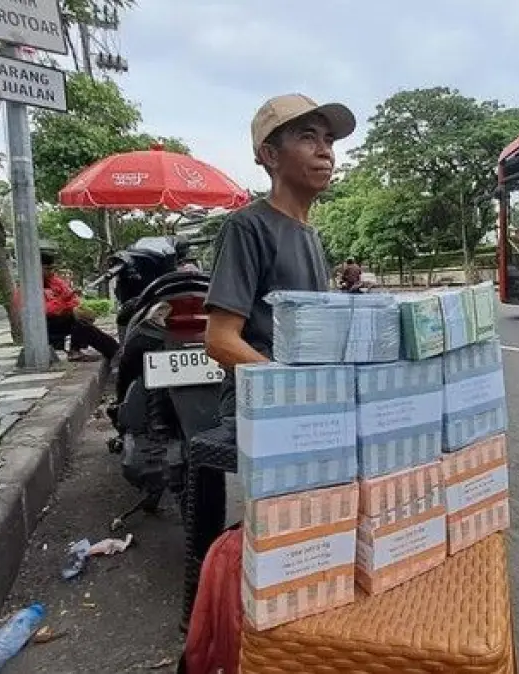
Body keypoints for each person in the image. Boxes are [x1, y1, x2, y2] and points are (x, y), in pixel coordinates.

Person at [192, 93, 354, 621]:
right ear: (268, 153)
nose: (325, 151)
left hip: (307, 402)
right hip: (259, 404)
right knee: (290, 532)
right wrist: (296, 390)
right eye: (308, 137)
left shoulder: (311, 236)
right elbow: (220, 339)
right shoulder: (248, 228)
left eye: (328, 140)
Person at [40, 251, 119, 362]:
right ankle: (113, 350)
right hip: (42, 324)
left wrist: (70, 307)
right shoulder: (29, 286)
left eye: (52, 268)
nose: (51, 272)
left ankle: (114, 350)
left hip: (62, 318)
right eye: (47, 269)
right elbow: (44, 310)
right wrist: (65, 303)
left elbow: (73, 300)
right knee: (78, 320)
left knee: (83, 322)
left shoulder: (55, 281)